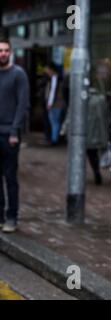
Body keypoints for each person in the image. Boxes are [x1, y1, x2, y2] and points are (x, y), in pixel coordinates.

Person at [0, 38, 30, 233]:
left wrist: (14, 131)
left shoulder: (18, 74)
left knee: (10, 177)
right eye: (0, 51)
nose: (2, 54)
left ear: (10, 52)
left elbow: (23, 105)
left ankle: (12, 216)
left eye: (6, 50)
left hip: (9, 134)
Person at [86, 87, 110, 185]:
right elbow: (105, 117)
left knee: (88, 154)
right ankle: (96, 172)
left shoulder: (82, 99)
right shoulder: (101, 100)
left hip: (86, 132)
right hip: (96, 132)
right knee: (93, 154)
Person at [44, 63, 66, 145]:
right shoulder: (57, 78)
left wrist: (49, 103)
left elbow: (53, 92)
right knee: (55, 121)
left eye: (47, 69)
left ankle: (54, 139)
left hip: (56, 104)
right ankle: (55, 138)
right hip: (58, 103)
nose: (46, 71)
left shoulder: (54, 79)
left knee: (54, 122)